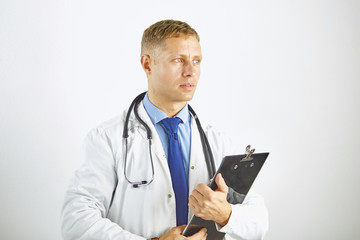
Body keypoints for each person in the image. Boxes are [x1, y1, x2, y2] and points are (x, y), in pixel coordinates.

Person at [61, 19, 268, 240]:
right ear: (147, 64)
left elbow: (259, 224)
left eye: (196, 61)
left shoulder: (216, 140)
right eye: (179, 60)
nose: (191, 71)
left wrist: (226, 214)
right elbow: (76, 221)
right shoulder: (106, 139)